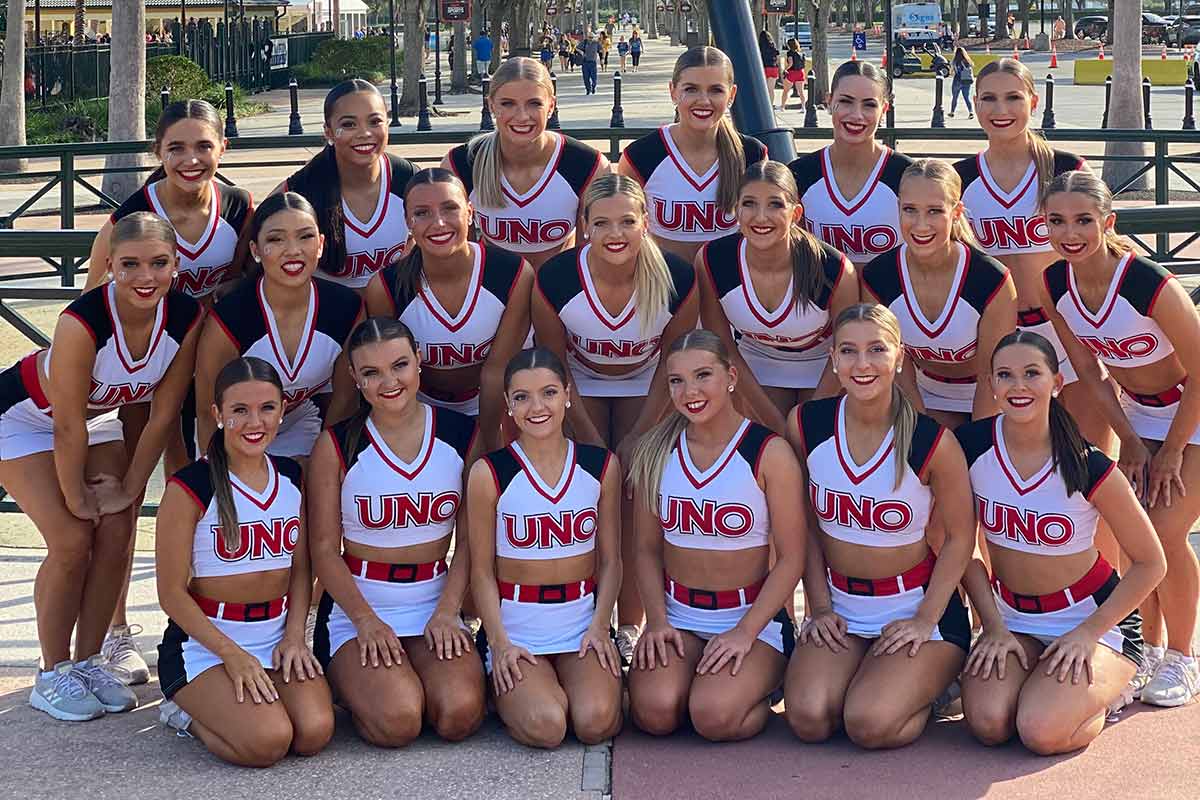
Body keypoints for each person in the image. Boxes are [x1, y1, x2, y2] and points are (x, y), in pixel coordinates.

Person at [0, 213, 200, 721]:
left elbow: (162, 414)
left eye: (158, 264)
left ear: (176, 265)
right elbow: (67, 427)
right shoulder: (82, 320)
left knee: (118, 527)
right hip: (24, 418)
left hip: (97, 420)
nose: (144, 277)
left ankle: (89, 661)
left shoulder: (185, 316)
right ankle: (53, 672)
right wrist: (76, 498)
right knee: (72, 537)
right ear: (109, 265)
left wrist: (131, 491)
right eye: (129, 264)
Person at [85, 99, 254, 683]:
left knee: (200, 494)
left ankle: (204, 623)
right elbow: (96, 297)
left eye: (203, 146)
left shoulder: (236, 205)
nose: (190, 159)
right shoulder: (134, 212)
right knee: (132, 496)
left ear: (222, 149)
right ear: (157, 152)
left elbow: (239, 283)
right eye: (176, 147)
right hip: (144, 370)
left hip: (205, 369)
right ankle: (114, 633)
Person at [958, 331, 1165, 753]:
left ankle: (1110, 688)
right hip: (1012, 616)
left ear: (1056, 383)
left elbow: (1151, 562)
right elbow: (960, 547)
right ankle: (1046, 681)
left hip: (1086, 617)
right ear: (991, 385)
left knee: (1040, 731)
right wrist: (993, 625)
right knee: (989, 723)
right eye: (1005, 375)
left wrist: (1089, 633)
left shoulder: (1087, 464)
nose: (1018, 386)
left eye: (1032, 374)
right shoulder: (970, 448)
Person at [1040, 171, 1200, 707]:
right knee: (1138, 534)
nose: (1071, 232)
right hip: (1139, 416)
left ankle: (1183, 655)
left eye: (1084, 220)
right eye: (1057, 221)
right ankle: (1149, 649)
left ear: (1107, 223)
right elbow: (1090, 372)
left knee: (1166, 527)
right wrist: (1130, 441)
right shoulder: (1054, 283)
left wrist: (1173, 449)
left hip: (1192, 411)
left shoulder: (1147, 284)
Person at [783, 303, 975, 749]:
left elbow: (962, 537)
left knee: (869, 725)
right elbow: (806, 528)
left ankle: (930, 689)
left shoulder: (931, 440)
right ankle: (873, 675)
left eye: (877, 350)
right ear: (832, 359)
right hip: (843, 608)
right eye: (848, 351)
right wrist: (820, 606)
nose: (862, 364)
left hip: (914, 606)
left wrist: (926, 618)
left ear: (900, 356)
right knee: (809, 719)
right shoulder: (807, 425)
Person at [533, 174, 700, 658]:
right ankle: (579, 615)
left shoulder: (675, 276)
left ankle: (630, 624)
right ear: (583, 227)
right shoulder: (557, 276)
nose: (615, 233)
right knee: (583, 492)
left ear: (646, 222)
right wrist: (588, 437)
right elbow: (554, 364)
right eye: (601, 222)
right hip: (576, 386)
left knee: (634, 493)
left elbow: (675, 362)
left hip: (648, 383)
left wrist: (638, 438)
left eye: (628, 221)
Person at [308, 319, 485, 746]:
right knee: (399, 721)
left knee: (458, 714)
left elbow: (470, 543)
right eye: (371, 373)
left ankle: (407, 675)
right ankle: (355, 683)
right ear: (355, 378)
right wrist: (366, 621)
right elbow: (324, 550)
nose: (389, 382)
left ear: (419, 362)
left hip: (431, 598)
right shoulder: (338, 444)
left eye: (399, 365)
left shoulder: (461, 434)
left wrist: (448, 609)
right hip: (359, 606)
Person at [625, 330, 805, 741]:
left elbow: (793, 558)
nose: (690, 391)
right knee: (654, 714)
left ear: (731, 376)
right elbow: (647, 551)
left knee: (713, 717)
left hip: (749, 618)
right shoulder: (656, 449)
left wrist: (744, 633)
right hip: (679, 615)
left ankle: (766, 681)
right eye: (676, 381)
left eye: (703, 375)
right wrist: (656, 620)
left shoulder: (768, 451)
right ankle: (699, 679)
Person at [155, 357, 334, 766]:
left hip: (274, 637)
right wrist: (232, 655)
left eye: (267, 408)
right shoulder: (190, 486)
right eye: (240, 410)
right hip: (206, 644)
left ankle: (244, 704)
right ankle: (184, 712)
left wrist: (294, 637)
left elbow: (302, 569)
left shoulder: (291, 476)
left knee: (313, 732)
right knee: (267, 742)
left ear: (282, 409)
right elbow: (170, 594)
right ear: (217, 414)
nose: (256, 422)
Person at [466, 349, 624, 749]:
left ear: (568, 395)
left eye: (549, 393)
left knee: (595, 722)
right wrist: (500, 642)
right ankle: (508, 690)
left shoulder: (600, 465)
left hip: (579, 624)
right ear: (508, 404)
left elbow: (611, 561)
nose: (537, 407)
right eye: (522, 397)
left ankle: (580, 684)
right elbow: (482, 570)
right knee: (547, 726)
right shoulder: (490, 472)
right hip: (518, 625)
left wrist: (600, 625)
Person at [954, 59, 1112, 455]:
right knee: (998, 460)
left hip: (1068, 328)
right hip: (997, 336)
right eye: (989, 98)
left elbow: (1106, 251)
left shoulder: (1066, 169)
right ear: (975, 103)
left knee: (1088, 457)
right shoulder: (961, 179)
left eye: (1013, 97)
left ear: (1034, 102)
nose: (1000, 110)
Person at [364, 168, 533, 451]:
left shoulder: (512, 273)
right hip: (420, 407)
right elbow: (390, 376)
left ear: (470, 212)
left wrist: (486, 442)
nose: (438, 223)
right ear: (408, 222)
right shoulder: (386, 287)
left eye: (450, 208)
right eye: (422, 213)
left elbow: (495, 371)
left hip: (495, 404)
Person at [196, 193, 364, 460]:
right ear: (255, 250)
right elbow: (207, 410)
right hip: (234, 431)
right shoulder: (230, 317)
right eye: (276, 239)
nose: (293, 250)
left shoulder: (346, 309)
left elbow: (344, 400)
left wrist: (325, 466)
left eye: (305, 236)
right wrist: (217, 477)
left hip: (299, 423)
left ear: (320, 244)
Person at [699, 161, 857, 432]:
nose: (761, 217)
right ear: (736, 209)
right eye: (749, 203)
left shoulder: (832, 267)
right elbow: (723, 348)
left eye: (775, 205)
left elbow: (848, 350)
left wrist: (806, 422)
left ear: (795, 213)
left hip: (826, 368)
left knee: (816, 445)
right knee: (761, 446)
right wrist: (774, 424)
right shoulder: (713, 260)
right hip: (753, 366)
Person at [861, 159, 1016, 429]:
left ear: (956, 212)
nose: (921, 225)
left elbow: (990, 376)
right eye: (910, 210)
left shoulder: (990, 279)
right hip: (923, 391)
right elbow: (900, 374)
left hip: (990, 394)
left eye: (934, 211)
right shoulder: (879, 277)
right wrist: (923, 435)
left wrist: (977, 445)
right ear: (898, 208)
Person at [443, 58, 609, 271]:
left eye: (534, 103)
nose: (522, 116)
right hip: (492, 291)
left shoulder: (587, 166)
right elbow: (460, 253)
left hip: (557, 290)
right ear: (491, 105)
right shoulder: (462, 164)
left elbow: (591, 256)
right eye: (507, 103)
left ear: (551, 106)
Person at [621, 47, 768, 263]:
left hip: (729, 288)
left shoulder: (752, 154)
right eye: (691, 89)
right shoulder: (642, 156)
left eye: (716, 90)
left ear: (732, 95)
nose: (704, 100)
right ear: (673, 91)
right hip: (666, 286)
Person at [277, 80, 418, 291]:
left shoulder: (408, 179)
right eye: (349, 124)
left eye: (375, 121)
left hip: (394, 308)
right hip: (328, 314)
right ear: (329, 131)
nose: (364, 133)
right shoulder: (302, 189)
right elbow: (261, 242)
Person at [789, 61, 915, 267]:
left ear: (884, 109)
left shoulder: (907, 175)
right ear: (829, 102)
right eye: (846, 101)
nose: (856, 115)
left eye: (869, 104)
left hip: (888, 299)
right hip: (818, 297)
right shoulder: (798, 174)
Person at [758, 30, 781, 111]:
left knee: (763, 89)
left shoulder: (759, 47)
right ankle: (770, 105)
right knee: (771, 89)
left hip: (764, 68)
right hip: (773, 68)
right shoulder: (773, 46)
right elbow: (778, 58)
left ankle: (763, 104)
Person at [781, 39, 807, 111]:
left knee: (786, 91)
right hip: (800, 72)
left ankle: (783, 107)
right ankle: (803, 107)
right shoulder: (801, 53)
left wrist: (785, 69)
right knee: (801, 92)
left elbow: (790, 63)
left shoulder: (790, 53)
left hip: (792, 73)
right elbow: (803, 65)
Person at [949, 47, 974, 119]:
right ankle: (971, 112)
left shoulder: (955, 62)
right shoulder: (967, 61)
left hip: (957, 80)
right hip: (966, 81)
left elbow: (951, 72)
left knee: (955, 97)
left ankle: (952, 112)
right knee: (966, 97)